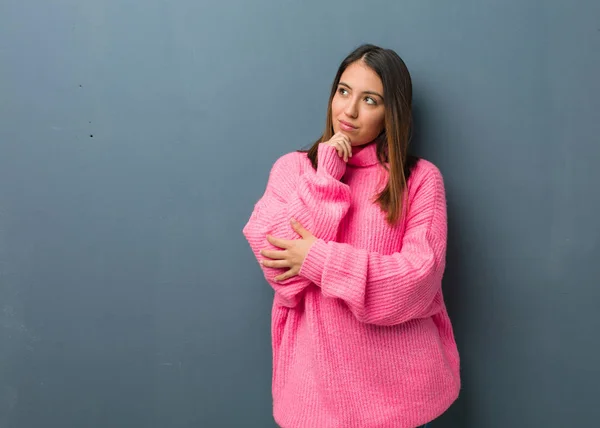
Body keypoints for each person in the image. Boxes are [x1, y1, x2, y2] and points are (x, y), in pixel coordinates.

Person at [242, 44, 460, 428]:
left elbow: (418, 281)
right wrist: (326, 177)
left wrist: (317, 258)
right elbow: (278, 270)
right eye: (343, 91)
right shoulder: (293, 170)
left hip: (400, 395)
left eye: (370, 99)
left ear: (391, 112)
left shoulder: (420, 179)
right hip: (315, 393)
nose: (349, 110)